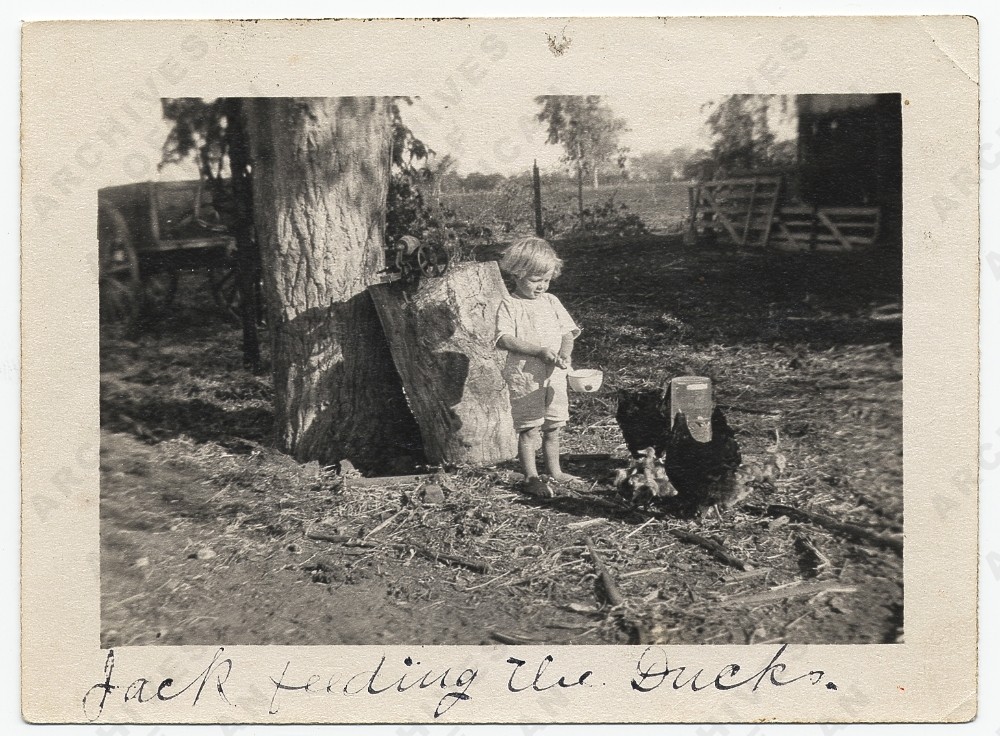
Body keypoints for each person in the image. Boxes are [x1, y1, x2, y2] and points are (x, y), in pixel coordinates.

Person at [495, 236, 582, 498]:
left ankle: (555, 471)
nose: (541, 286)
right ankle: (531, 476)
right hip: (526, 376)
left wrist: (564, 355)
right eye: (535, 280)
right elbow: (504, 339)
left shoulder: (552, 302)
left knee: (554, 425)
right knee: (530, 427)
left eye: (545, 280)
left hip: (554, 375)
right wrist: (539, 351)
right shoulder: (510, 304)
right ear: (517, 275)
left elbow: (568, 333)